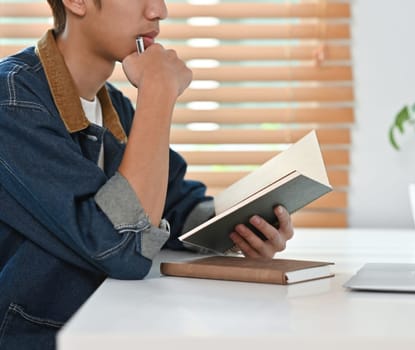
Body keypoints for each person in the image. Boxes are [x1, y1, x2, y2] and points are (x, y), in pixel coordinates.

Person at [0, 1, 294, 349]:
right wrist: (158, 91)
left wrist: (244, 227)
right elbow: (121, 245)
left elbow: (177, 205)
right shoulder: (11, 102)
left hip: (112, 330)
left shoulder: (113, 106)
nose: (160, 11)